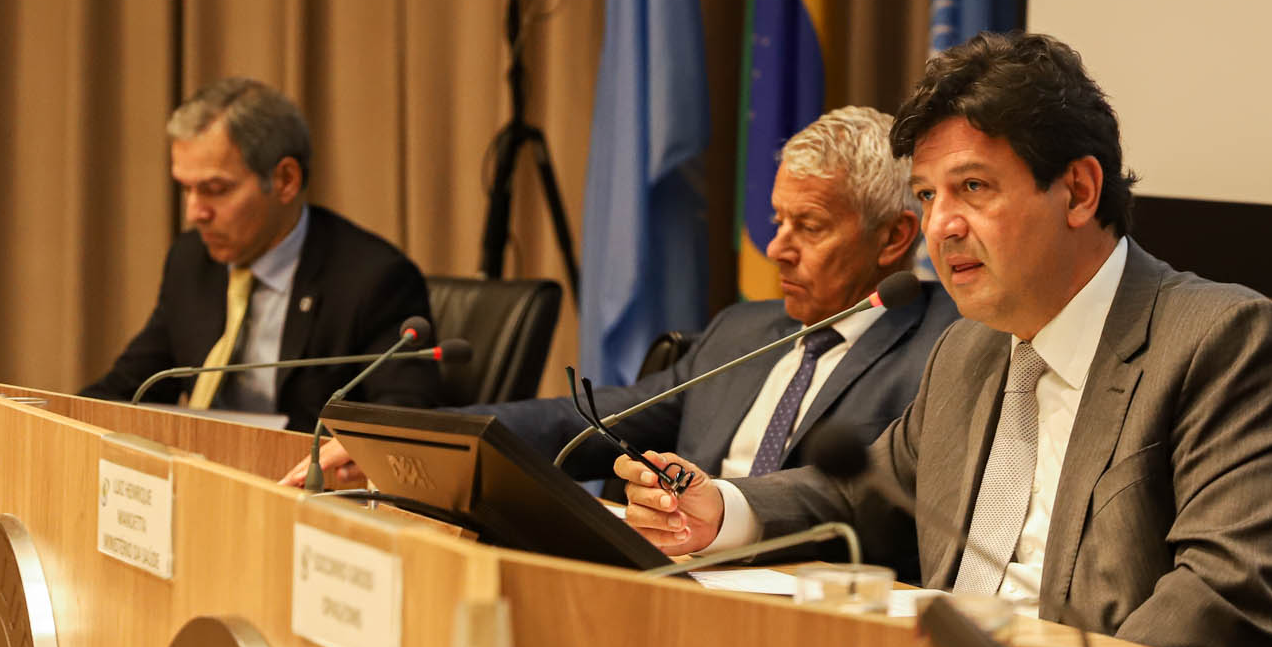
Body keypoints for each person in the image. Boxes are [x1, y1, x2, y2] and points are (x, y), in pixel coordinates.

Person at [620, 34, 1272, 647]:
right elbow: (859, 493)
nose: (940, 227)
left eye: (973, 187)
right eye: (928, 196)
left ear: (1078, 191)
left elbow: (1226, 592)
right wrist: (720, 509)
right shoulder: (969, 350)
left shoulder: (1222, 341)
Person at [289, 106, 960, 489]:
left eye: (808, 227)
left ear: (894, 238)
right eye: (776, 220)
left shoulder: (947, 351)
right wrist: (410, 440)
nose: (777, 248)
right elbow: (587, 422)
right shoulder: (741, 331)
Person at [83, 78, 437, 431]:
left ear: (285, 180)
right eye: (186, 189)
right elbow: (131, 388)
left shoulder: (373, 279)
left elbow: (400, 419)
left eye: (215, 189)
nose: (194, 213)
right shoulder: (191, 260)